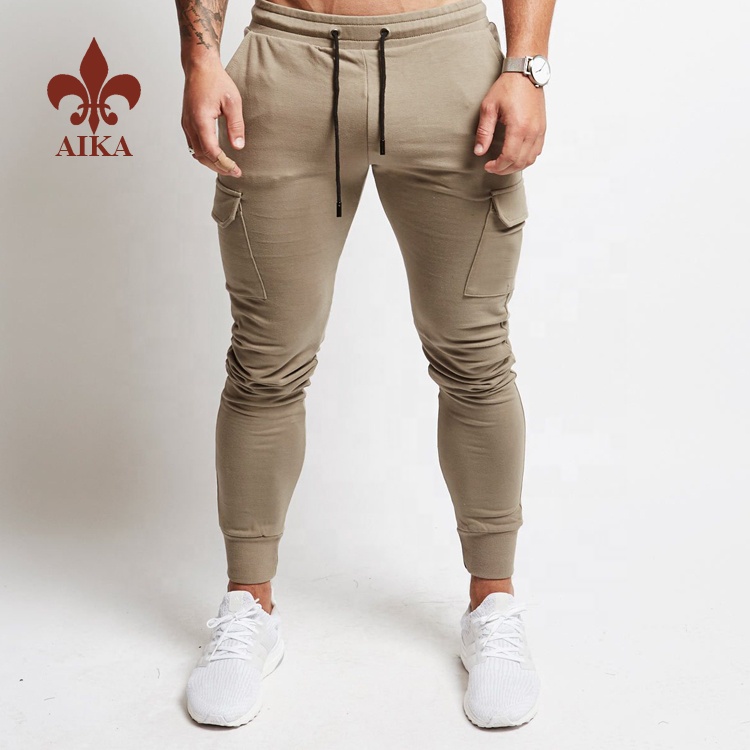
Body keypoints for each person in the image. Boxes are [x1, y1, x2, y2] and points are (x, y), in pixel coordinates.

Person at [175, 0, 554, 730]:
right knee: (266, 361)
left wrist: (526, 67)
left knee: (474, 355)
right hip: (287, 63)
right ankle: (248, 607)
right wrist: (200, 58)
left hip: (446, 64)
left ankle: (493, 605)